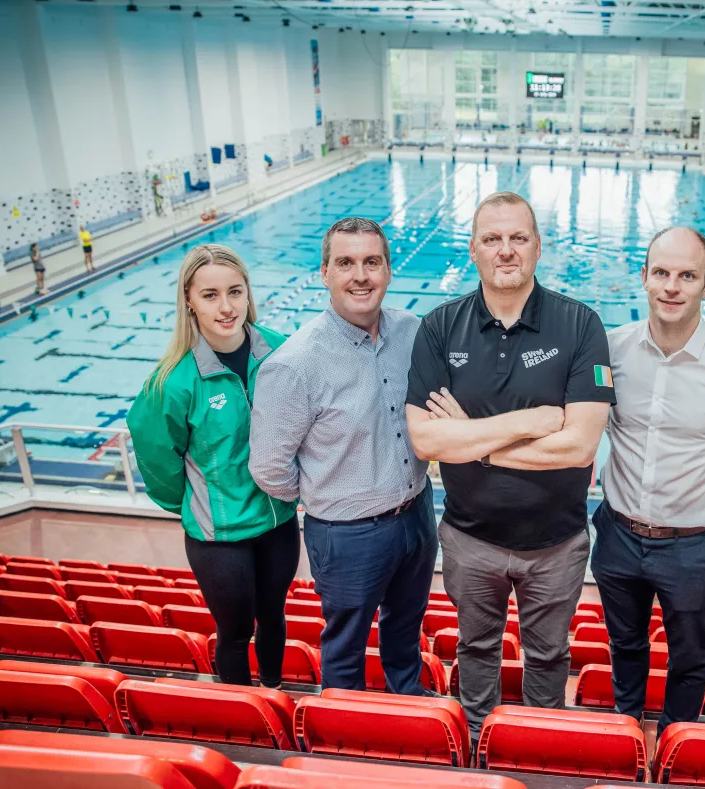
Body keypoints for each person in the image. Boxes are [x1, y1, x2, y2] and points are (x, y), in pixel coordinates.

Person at [405, 191, 616, 741]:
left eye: (518, 238)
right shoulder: (439, 327)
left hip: (557, 544)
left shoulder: (579, 325)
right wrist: (535, 420)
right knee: (476, 648)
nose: (506, 250)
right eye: (492, 239)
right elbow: (427, 438)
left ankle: (538, 739)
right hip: (470, 538)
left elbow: (579, 448)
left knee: (549, 654)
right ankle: (477, 741)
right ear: (473, 249)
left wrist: (472, 442)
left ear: (538, 247)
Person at [250, 217, 436, 695]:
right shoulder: (295, 365)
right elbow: (269, 467)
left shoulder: (411, 332)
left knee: (406, 630)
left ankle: (409, 704)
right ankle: (343, 731)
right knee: (346, 645)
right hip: (348, 534)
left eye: (371, 262)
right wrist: (328, 492)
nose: (360, 275)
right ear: (325, 273)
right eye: (346, 263)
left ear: (389, 271)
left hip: (416, 514)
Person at [595, 226, 705, 734]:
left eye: (687, 276)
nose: (672, 286)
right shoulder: (612, 351)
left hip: (689, 547)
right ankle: (626, 730)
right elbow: (594, 424)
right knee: (623, 644)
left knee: (689, 657)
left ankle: (676, 741)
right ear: (644, 278)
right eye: (662, 273)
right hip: (618, 534)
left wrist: (700, 504)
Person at [127, 244, 297, 688]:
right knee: (236, 633)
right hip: (219, 537)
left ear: (247, 293)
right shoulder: (173, 381)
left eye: (235, 292)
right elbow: (156, 454)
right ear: (189, 299)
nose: (226, 307)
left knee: (274, 616)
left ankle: (274, 693)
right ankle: (243, 718)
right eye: (210, 295)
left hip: (278, 520)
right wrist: (189, 503)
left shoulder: (280, 352)